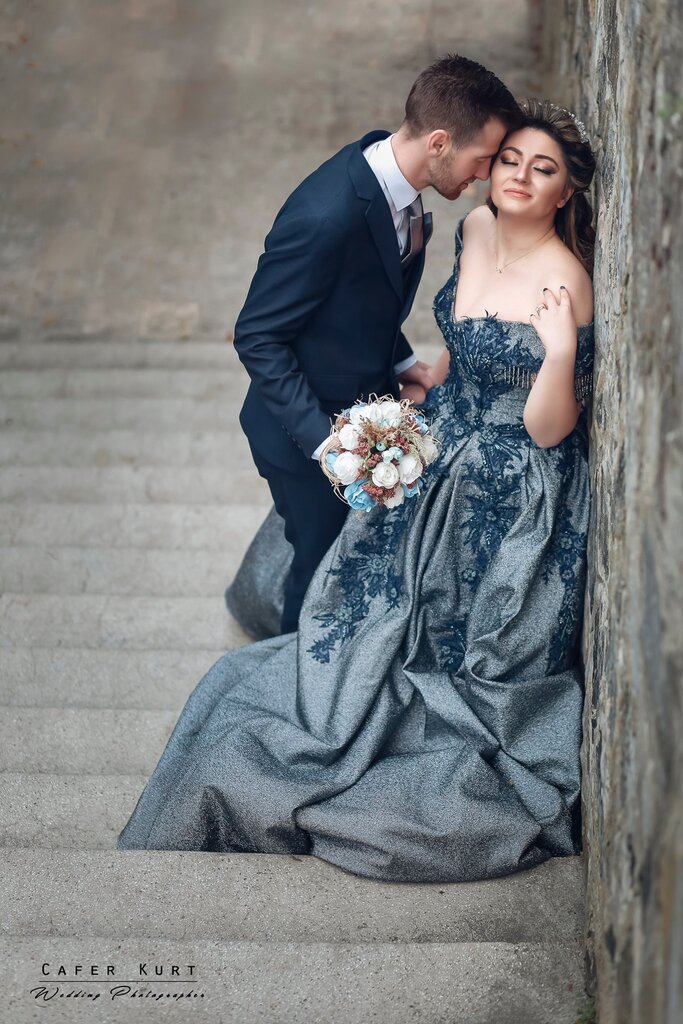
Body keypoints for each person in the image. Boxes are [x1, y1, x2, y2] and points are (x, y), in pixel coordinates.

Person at [117, 99, 597, 885]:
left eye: (539, 169)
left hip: (510, 479)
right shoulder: (474, 227)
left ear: (564, 191)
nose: (513, 176)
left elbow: (549, 430)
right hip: (441, 438)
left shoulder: (564, 282)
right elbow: (459, 340)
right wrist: (425, 379)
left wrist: (558, 352)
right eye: (507, 159)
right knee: (363, 594)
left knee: (442, 634)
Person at [228, 54, 521, 635]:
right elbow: (257, 335)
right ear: (439, 142)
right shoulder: (326, 216)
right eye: (483, 158)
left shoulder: (398, 183)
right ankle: (293, 680)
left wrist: (404, 362)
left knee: (348, 568)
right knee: (317, 579)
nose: (487, 175)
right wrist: (327, 446)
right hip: (302, 438)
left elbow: (360, 298)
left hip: (363, 415)